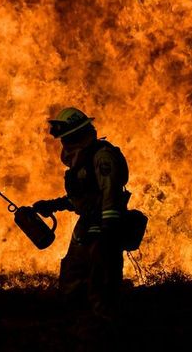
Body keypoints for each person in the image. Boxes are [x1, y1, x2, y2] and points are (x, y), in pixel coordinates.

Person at [33, 107, 130, 320]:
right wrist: (53, 205)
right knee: (72, 276)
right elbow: (84, 198)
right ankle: (76, 322)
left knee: (102, 281)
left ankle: (107, 325)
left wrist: (107, 233)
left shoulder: (102, 156)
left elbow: (110, 194)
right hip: (87, 225)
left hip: (105, 227)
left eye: (67, 138)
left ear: (78, 134)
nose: (65, 144)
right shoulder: (82, 161)